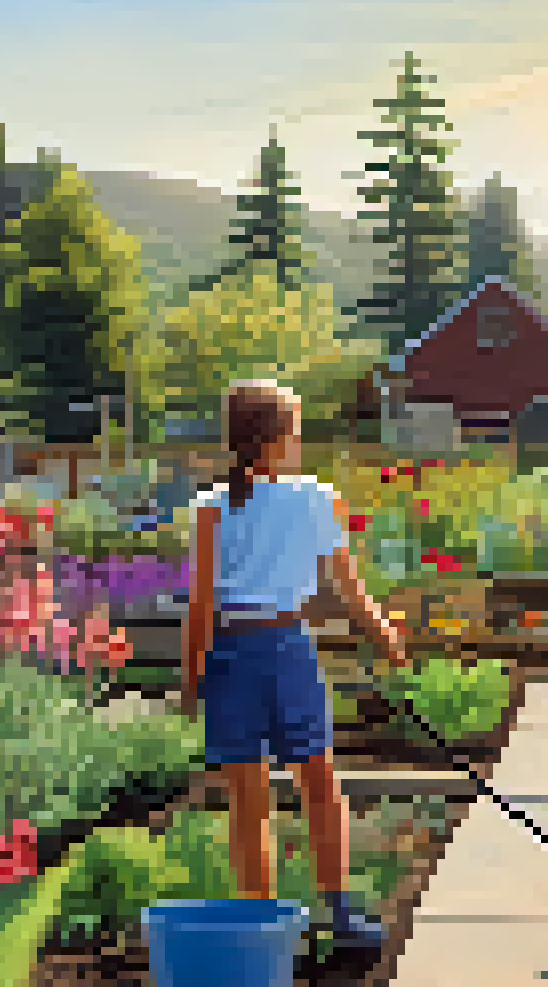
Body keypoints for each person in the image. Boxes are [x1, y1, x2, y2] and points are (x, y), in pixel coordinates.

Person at [181, 380, 408, 947]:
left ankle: (260, 922)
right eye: (297, 430)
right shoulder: (316, 496)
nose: (301, 440)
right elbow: (349, 588)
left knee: (248, 800)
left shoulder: (211, 506)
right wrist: (383, 633)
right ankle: (341, 912)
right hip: (286, 648)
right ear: (277, 438)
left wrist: (190, 680)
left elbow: (201, 606)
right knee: (320, 783)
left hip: (230, 655)